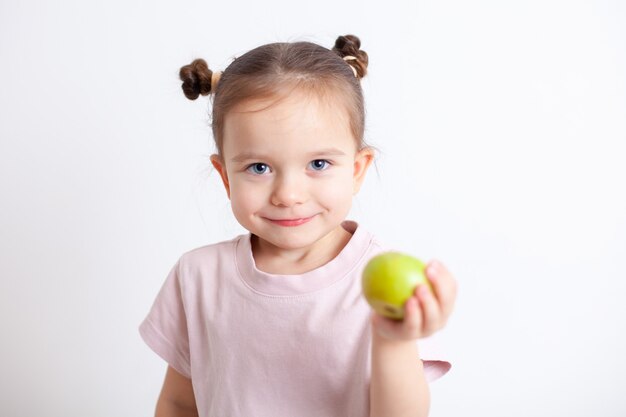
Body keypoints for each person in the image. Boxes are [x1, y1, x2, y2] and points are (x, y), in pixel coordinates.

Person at [139, 34, 457, 417]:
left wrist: (395, 340)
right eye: (259, 167)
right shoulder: (198, 276)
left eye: (318, 164)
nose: (288, 194)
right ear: (225, 178)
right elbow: (177, 403)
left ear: (357, 171)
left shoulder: (376, 285)